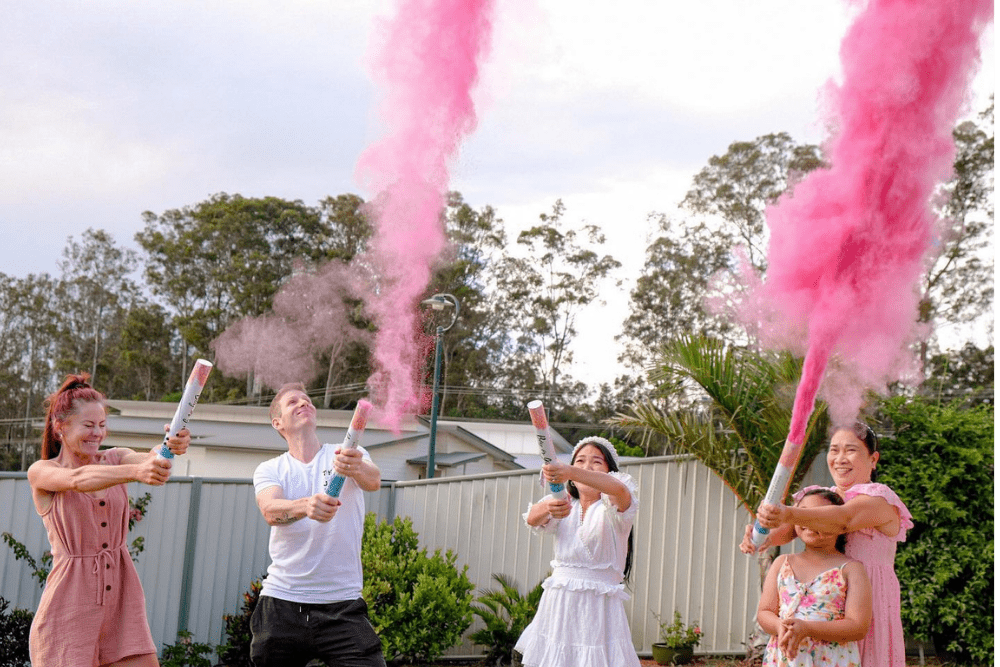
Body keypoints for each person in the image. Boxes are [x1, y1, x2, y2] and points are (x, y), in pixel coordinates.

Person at [27, 374, 191, 667]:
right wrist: (135, 474)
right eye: (88, 425)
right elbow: (77, 480)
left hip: (122, 604)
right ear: (59, 426)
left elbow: (150, 458)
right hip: (69, 607)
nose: (97, 434)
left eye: (102, 426)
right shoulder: (41, 471)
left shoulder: (116, 457)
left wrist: (169, 446)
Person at [742, 422, 913, 667]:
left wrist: (788, 513)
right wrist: (760, 536)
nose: (840, 458)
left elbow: (843, 520)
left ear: (873, 459)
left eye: (850, 450)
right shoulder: (821, 497)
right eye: (834, 450)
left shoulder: (880, 500)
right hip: (824, 602)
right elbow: (788, 529)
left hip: (867, 606)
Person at [250, 383, 385, 667]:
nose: (303, 403)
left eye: (307, 400)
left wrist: (356, 466)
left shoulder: (346, 453)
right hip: (282, 604)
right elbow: (270, 510)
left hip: (342, 606)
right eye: (292, 402)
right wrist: (306, 506)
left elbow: (373, 481)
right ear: (278, 423)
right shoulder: (271, 469)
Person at [514, 436, 639, 667]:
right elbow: (531, 519)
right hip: (559, 606)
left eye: (596, 462)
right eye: (580, 461)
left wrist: (570, 470)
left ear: (610, 471)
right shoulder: (562, 503)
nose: (586, 467)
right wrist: (547, 506)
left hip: (599, 610)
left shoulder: (614, 509)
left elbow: (619, 489)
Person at [758, 489, 872, 666]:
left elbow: (858, 626)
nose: (809, 521)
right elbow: (764, 612)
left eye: (818, 516)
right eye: (803, 514)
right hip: (784, 658)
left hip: (831, 659)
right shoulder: (782, 563)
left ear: (839, 524)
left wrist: (807, 628)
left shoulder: (852, 569)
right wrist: (780, 626)